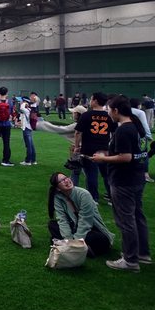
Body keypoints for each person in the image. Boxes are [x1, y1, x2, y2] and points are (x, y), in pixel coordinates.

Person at [92, 95, 150, 272]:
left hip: (124, 180)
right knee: (138, 216)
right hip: (137, 177)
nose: (108, 113)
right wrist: (108, 154)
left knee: (126, 220)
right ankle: (142, 253)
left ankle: (130, 260)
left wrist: (103, 158)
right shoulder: (137, 126)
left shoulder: (124, 130)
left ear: (116, 110)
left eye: (109, 110)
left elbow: (125, 157)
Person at [47, 172, 114, 257]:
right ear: (58, 188)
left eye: (66, 178)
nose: (66, 181)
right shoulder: (58, 197)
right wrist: (69, 239)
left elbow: (85, 221)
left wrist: (75, 242)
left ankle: (70, 246)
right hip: (74, 227)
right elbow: (62, 220)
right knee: (52, 225)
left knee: (99, 239)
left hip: (91, 228)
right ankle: (83, 249)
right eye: (62, 181)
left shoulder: (83, 194)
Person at [74, 92, 114, 203]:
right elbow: (114, 133)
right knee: (107, 175)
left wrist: (77, 147)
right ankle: (112, 197)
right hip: (104, 150)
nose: (90, 101)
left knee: (91, 175)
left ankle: (93, 198)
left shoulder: (86, 115)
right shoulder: (109, 116)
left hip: (89, 149)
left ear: (95, 100)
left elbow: (78, 132)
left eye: (91, 99)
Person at [19, 97, 37, 166]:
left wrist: (23, 103)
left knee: (28, 145)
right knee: (31, 145)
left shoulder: (26, 110)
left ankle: (28, 161)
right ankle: (33, 160)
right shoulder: (30, 109)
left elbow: (21, 108)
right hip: (29, 128)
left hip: (26, 128)